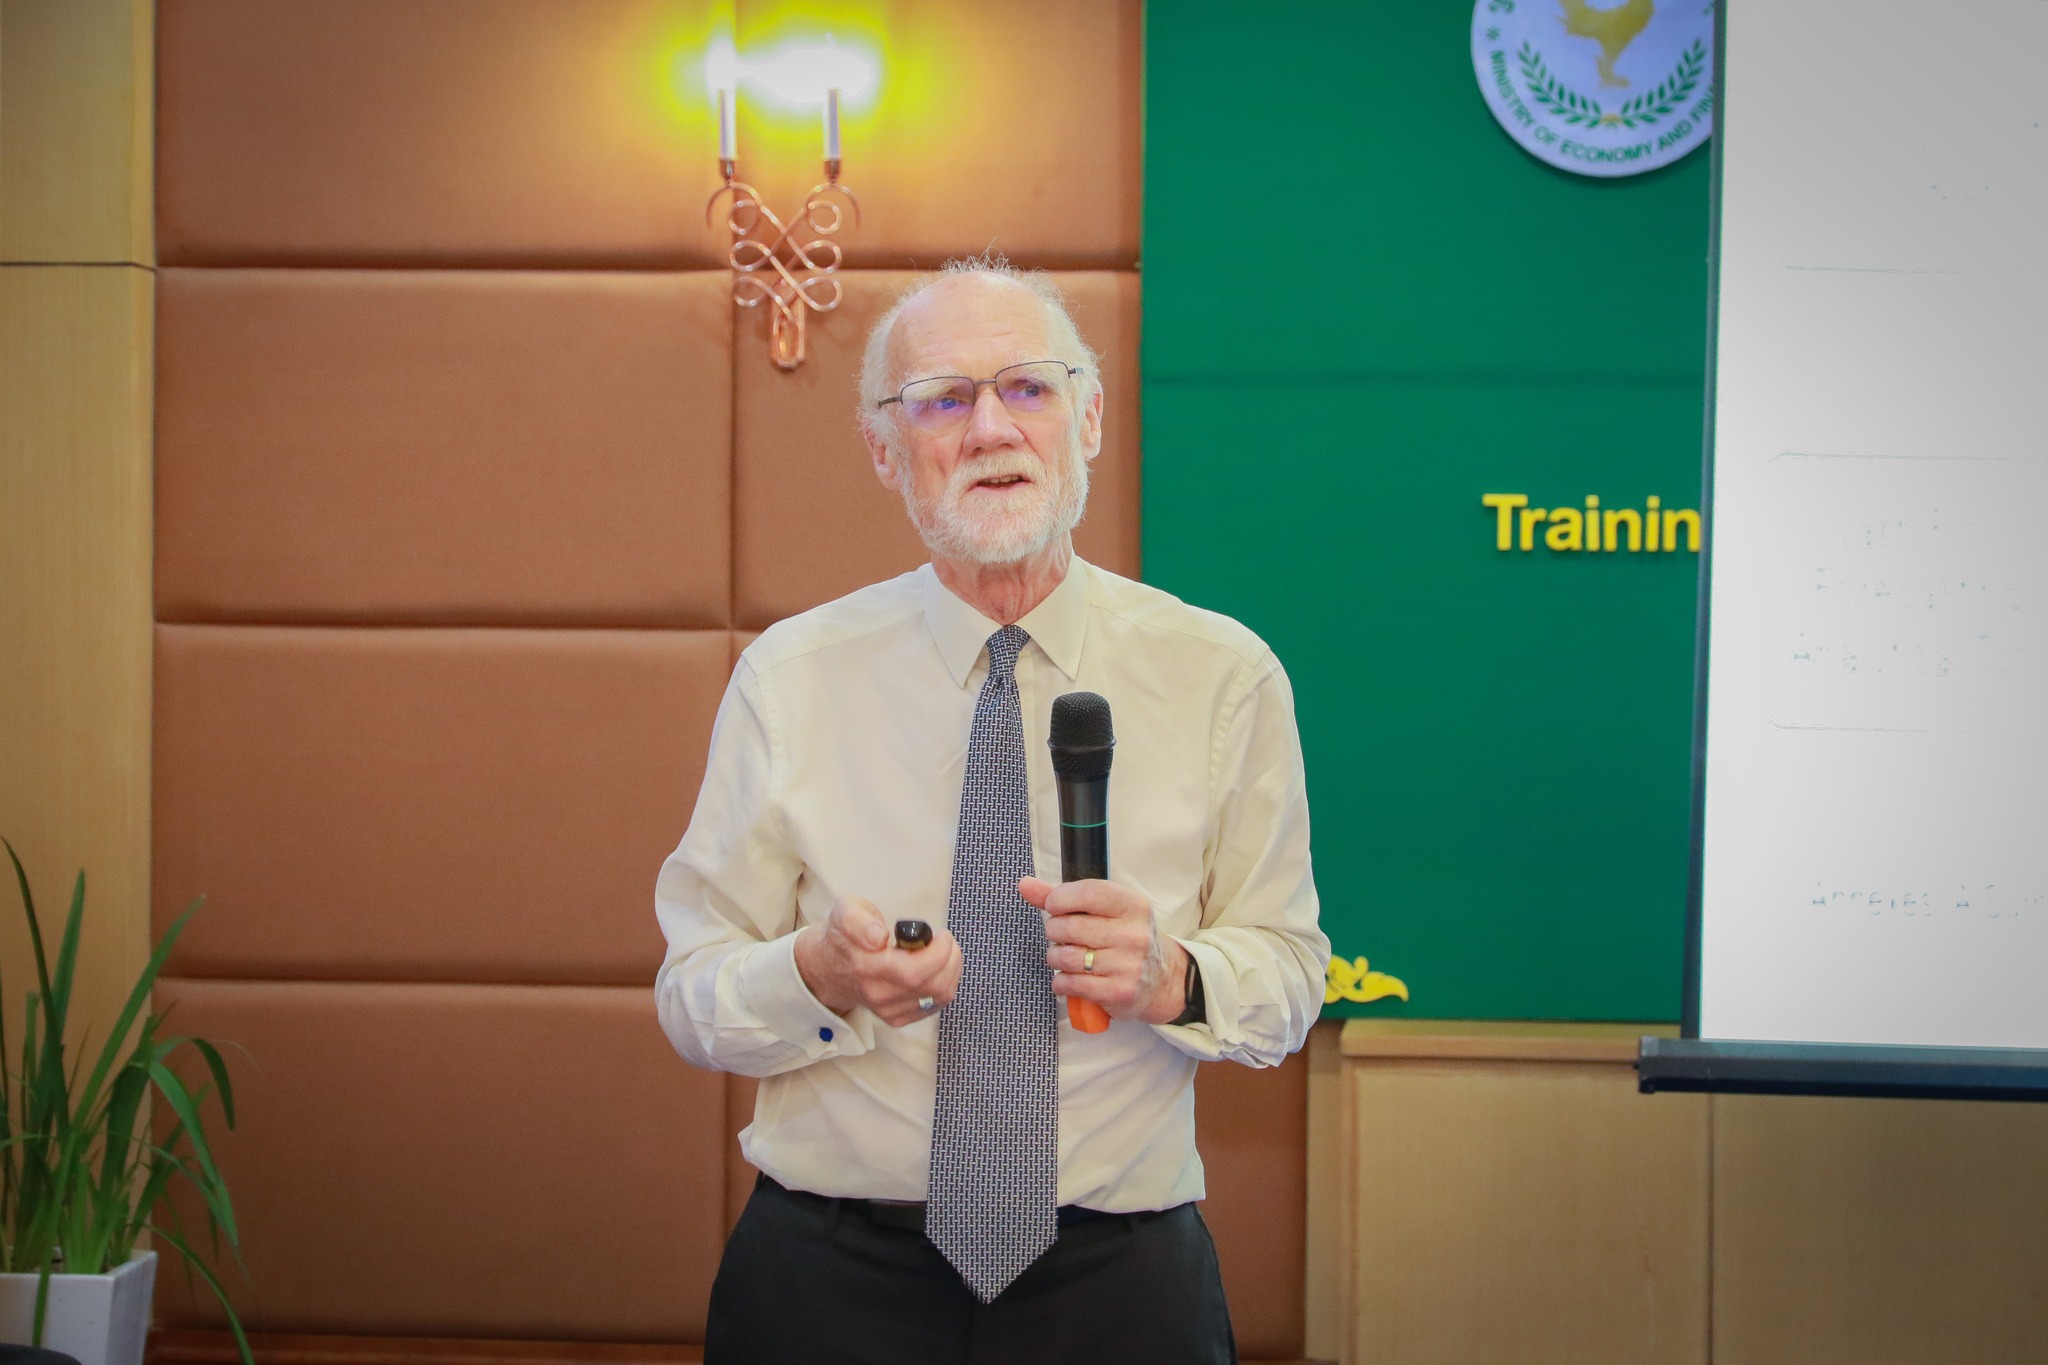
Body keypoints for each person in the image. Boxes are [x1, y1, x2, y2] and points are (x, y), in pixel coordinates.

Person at [655, 257, 1327, 1364]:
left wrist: (1173, 977)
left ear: (1089, 420)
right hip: (829, 1274)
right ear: (884, 449)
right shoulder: (790, 678)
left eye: (1027, 387)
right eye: (941, 400)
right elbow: (690, 997)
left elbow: (1291, 975)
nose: (989, 428)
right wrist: (817, 975)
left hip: (1120, 1279)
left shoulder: (1223, 676)